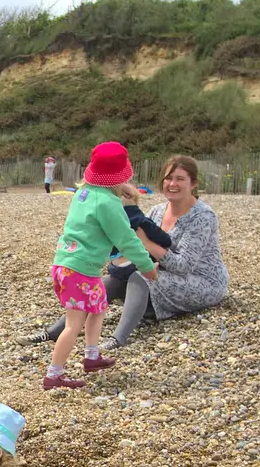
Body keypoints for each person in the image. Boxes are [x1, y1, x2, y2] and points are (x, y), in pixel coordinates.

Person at [33, 155, 230, 352]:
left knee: (141, 276)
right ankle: (55, 332)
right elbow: (129, 241)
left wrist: (145, 243)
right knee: (109, 280)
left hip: (202, 282)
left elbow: (183, 266)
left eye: (180, 179)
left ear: (193, 183)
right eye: (168, 178)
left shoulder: (203, 217)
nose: (172, 184)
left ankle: (118, 339)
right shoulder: (157, 211)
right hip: (165, 273)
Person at [42, 141, 156, 391]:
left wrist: (119, 190)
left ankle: (92, 356)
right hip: (80, 270)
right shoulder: (108, 203)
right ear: (120, 176)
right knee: (74, 323)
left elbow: (98, 205)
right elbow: (126, 239)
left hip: (66, 264)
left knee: (99, 303)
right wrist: (146, 265)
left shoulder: (84, 193)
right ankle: (54, 375)